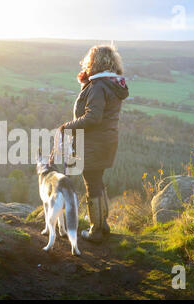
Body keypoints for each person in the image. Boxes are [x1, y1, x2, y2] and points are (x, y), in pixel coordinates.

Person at [59, 45, 129, 243]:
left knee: (92, 184)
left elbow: (93, 118)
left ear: (95, 62)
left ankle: (96, 230)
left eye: (89, 60)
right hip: (106, 140)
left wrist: (67, 127)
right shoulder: (111, 83)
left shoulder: (99, 85)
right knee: (97, 182)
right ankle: (102, 225)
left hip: (94, 142)